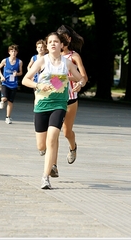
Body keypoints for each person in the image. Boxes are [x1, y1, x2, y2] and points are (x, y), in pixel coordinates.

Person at [22, 32, 86, 189]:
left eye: (56, 42)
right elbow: (25, 80)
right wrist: (38, 85)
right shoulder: (42, 61)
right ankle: (47, 159)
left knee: (53, 137)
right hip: (42, 105)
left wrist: (79, 84)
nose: (53, 44)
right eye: (50, 42)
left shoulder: (67, 63)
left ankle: (45, 177)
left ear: (61, 45)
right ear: (47, 45)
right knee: (41, 146)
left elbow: (81, 78)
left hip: (59, 105)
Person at [56, 25, 88, 168]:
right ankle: (52, 165)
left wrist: (78, 83)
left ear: (68, 39)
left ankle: (72, 147)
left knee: (66, 132)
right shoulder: (52, 57)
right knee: (53, 131)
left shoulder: (74, 56)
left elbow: (83, 77)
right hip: (55, 99)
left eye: (64, 38)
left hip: (70, 99)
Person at [0, 44, 23, 124]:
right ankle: (2, 101)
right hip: (5, 83)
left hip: (13, 84)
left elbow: (21, 72)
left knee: (10, 102)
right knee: (4, 98)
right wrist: (1, 76)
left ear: (17, 52)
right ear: (9, 52)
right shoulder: (5, 61)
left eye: (15, 51)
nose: (13, 53)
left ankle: (8, 117)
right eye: (12, 51)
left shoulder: (19, 62)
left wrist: (17, 74)